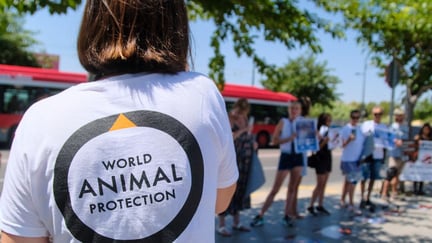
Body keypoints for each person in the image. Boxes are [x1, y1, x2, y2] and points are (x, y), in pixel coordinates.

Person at [0, 1, 238, 243]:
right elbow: (220, 200)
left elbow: (18, 237)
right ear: (175, 23)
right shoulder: (200, 94)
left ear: (92, 22)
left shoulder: (39, 120)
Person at [250, 101, 305, 227]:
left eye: (297, 108)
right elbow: (274, 140)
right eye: (292, 108)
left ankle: (287, 215)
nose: (294, 111)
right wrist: (289, 138)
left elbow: (310, 137)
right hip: (286, 155)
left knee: (292, 188)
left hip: (298, 156)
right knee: (276, 188)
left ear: (300, 110)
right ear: (289, 110)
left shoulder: (302, 122)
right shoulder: (283, 122)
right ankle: (261, 214)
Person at [217, 98, 255, 237]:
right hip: (233, 157)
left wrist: (253, 141)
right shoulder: (228, 117)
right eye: (239, 111)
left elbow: (247, 135)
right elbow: (229, 138)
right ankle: (221, 225)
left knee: (240, 190)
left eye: (243, 112)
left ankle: (236, 222)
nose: (241, 115)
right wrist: (244, 129)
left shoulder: (245, 118)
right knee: (227, 189)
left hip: (245, 157)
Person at [360, 106, 387, 210]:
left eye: (379, 114)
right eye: (375, 114)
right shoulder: (366, 125)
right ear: (372, 114)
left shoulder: (384, 127)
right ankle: (362, 198)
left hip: (378, 155)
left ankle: (368, 198)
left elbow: (387, 142)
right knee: (364, 177)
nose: (377, 116)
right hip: (367, 154)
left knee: (373, 177)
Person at [307, 113, 332, 216]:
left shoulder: (329, 131)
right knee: (320, 183)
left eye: (330, 120)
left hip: (327, 157)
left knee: (324, 183)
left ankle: (320, 205)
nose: (329, 123)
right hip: (320, 158)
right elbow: (316, 148)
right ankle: (311, 205)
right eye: (328, 120)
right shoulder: (319, 131)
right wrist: (325, 142)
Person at [381, 108, 409, 201]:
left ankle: (394, 192)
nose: (400, 117)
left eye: (401, 115)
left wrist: (403, 141)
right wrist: (395, 140)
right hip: (393, 153)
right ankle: (384, 193)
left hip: (402, 154)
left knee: (397, 174)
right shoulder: (392, 126)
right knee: (390, 173)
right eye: (398, 115)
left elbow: (407, 139)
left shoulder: (406, 127)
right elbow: (388, 138)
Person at [340, 110, 364, 213]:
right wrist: (349, 139)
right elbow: (342, 145)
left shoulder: (359, 129)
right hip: (348, 158)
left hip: (357, 159)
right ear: (350, 117)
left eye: (357, 118)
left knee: (348, 181)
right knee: (352, 181)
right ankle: (351, 202)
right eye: (353, 117)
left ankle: (342, 199)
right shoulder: (345, 129)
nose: (355, 120)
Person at [413, 123, 432, 195]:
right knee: (416, 173)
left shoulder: (430, 138)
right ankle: (415, 189)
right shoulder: (419, 137)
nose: (426, 131)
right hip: (418, 157)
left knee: (423, 174)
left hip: (426, 159)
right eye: (425, 129)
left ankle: (420, 189)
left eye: (428, 129)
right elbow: (413, 145)